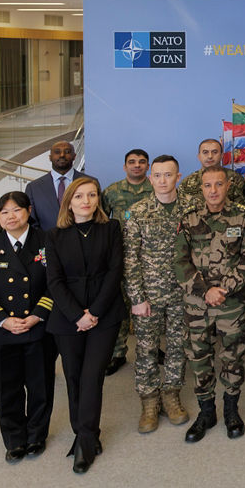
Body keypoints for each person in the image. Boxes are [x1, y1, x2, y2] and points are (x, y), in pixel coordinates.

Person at [44, 177, 124, 474]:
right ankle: (83, 431)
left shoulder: (111, 229)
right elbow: (54, 280)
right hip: (68, 317)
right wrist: (78, 315)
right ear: (69, 202)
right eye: (79, 196)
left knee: (92, 377)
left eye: (92, 195)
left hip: (105, 315)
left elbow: (115, 272)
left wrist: (95, 312)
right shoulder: (53, 236)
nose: (86, 201)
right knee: (74, 376)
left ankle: (86, 442)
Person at [0, 191, 55, 462]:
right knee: (8, 388)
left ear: (29, 211)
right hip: (2, 331)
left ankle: (37, 435)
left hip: (38, 326)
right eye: (4, 212)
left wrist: (37, 315)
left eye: (16, 210)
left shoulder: (48, 242)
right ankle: (15, 439)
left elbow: (58, 283)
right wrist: (4, 320)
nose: (11, 216)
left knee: (40, 386)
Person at [175, 167, 245, 443]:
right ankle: (206, 412)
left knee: (232, 357)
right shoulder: (189, 219)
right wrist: (205, 290)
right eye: (207, 185)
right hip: (197, 304)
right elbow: (179, 261)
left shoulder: (243, 217)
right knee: (199, 358)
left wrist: (224, 289)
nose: (213, 190)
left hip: (230, 303)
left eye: (218, 184)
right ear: (201, 187)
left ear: (228, 185)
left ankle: (232, 411)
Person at [123, 154, 191, 433]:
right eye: (158, 175)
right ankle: (149, 401)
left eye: (169, 175)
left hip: (182, 294)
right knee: (147, 349)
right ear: (150, 178)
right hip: (148, 296)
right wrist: (137, 299)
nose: (163, 181)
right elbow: (130, 259)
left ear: (179, 177)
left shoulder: (191, 207)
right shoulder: (137, 212)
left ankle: (172, 395)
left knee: (177, 346)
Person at [101, 148, 152, 376]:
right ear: (125, 167)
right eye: (132, 162)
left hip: (151, 258)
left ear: (147, 166)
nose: (137, 165)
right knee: (120, 306)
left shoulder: (155, 189)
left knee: (151, 308)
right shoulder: (112, 191)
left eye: (142, 162)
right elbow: (101, 224)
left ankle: (152, 349)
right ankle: (118, 353)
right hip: (120, 258)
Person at [24, 140, 93, 228]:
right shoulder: (33, 188)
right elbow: (31, 222)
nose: (62, 155)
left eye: (67, 152)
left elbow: (96, 217)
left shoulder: (90, 182)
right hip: (46, 240)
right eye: (57, 152)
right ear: (50, 157)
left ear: (74, 156)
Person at [179, 138, 245, 206]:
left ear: (222, 156)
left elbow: (244, 209)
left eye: (215, 152)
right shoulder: (187, 182)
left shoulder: (236, 179)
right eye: (205, 152)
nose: (210, 156)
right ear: (199, 156)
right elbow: (181, 211)